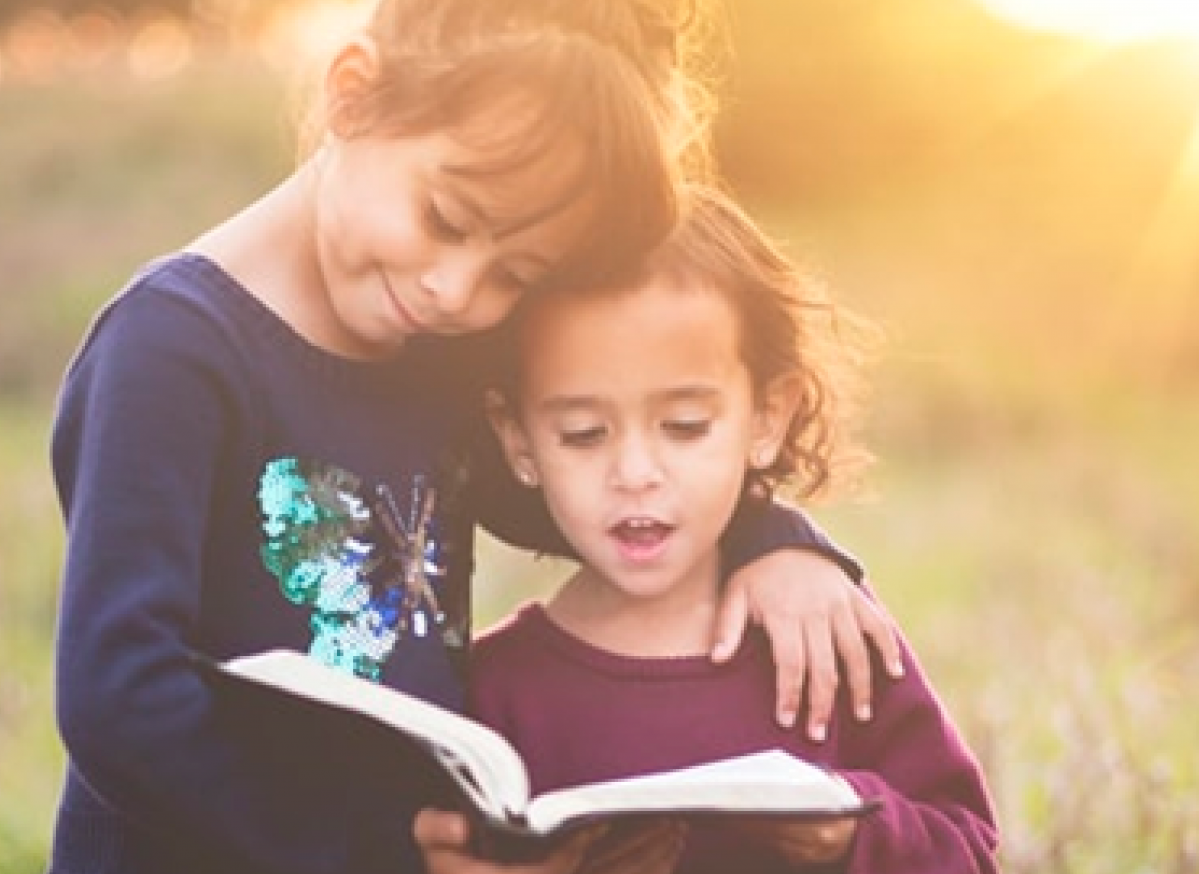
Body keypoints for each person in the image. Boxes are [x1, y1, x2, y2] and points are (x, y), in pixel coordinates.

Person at [46, 3, 902, 873]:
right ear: (354, 93)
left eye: (516, 274)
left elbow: (586, 499)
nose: (459, 291)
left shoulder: (433, 348)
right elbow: (120, 698)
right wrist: (379, 853)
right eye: (448, 220)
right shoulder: (173, 351)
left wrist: (777, 543)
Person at [470, 185, 1001, 873]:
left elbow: (969, 849)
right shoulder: (496, 690)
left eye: (685, 427)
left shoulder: (824, 633)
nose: (634, 471)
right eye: (582, 434)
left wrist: (851, 831)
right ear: (518, 441)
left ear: (767, 419)